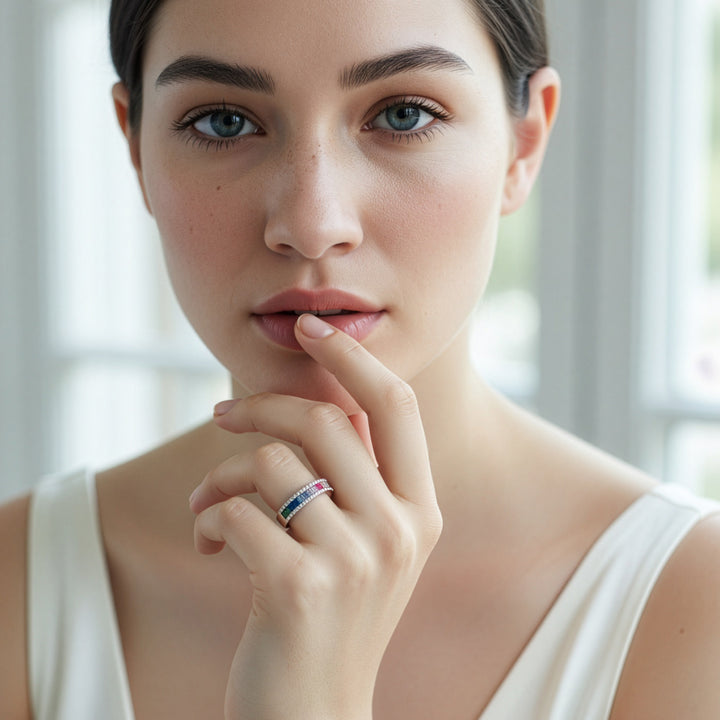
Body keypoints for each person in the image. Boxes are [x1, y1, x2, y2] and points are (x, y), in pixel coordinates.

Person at [2, 0, 720, 717]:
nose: (312, 225)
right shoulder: (19, 586)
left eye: (404, 114)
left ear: (523, 143)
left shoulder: (696, 604)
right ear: (134, 147)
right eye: (223, 121)